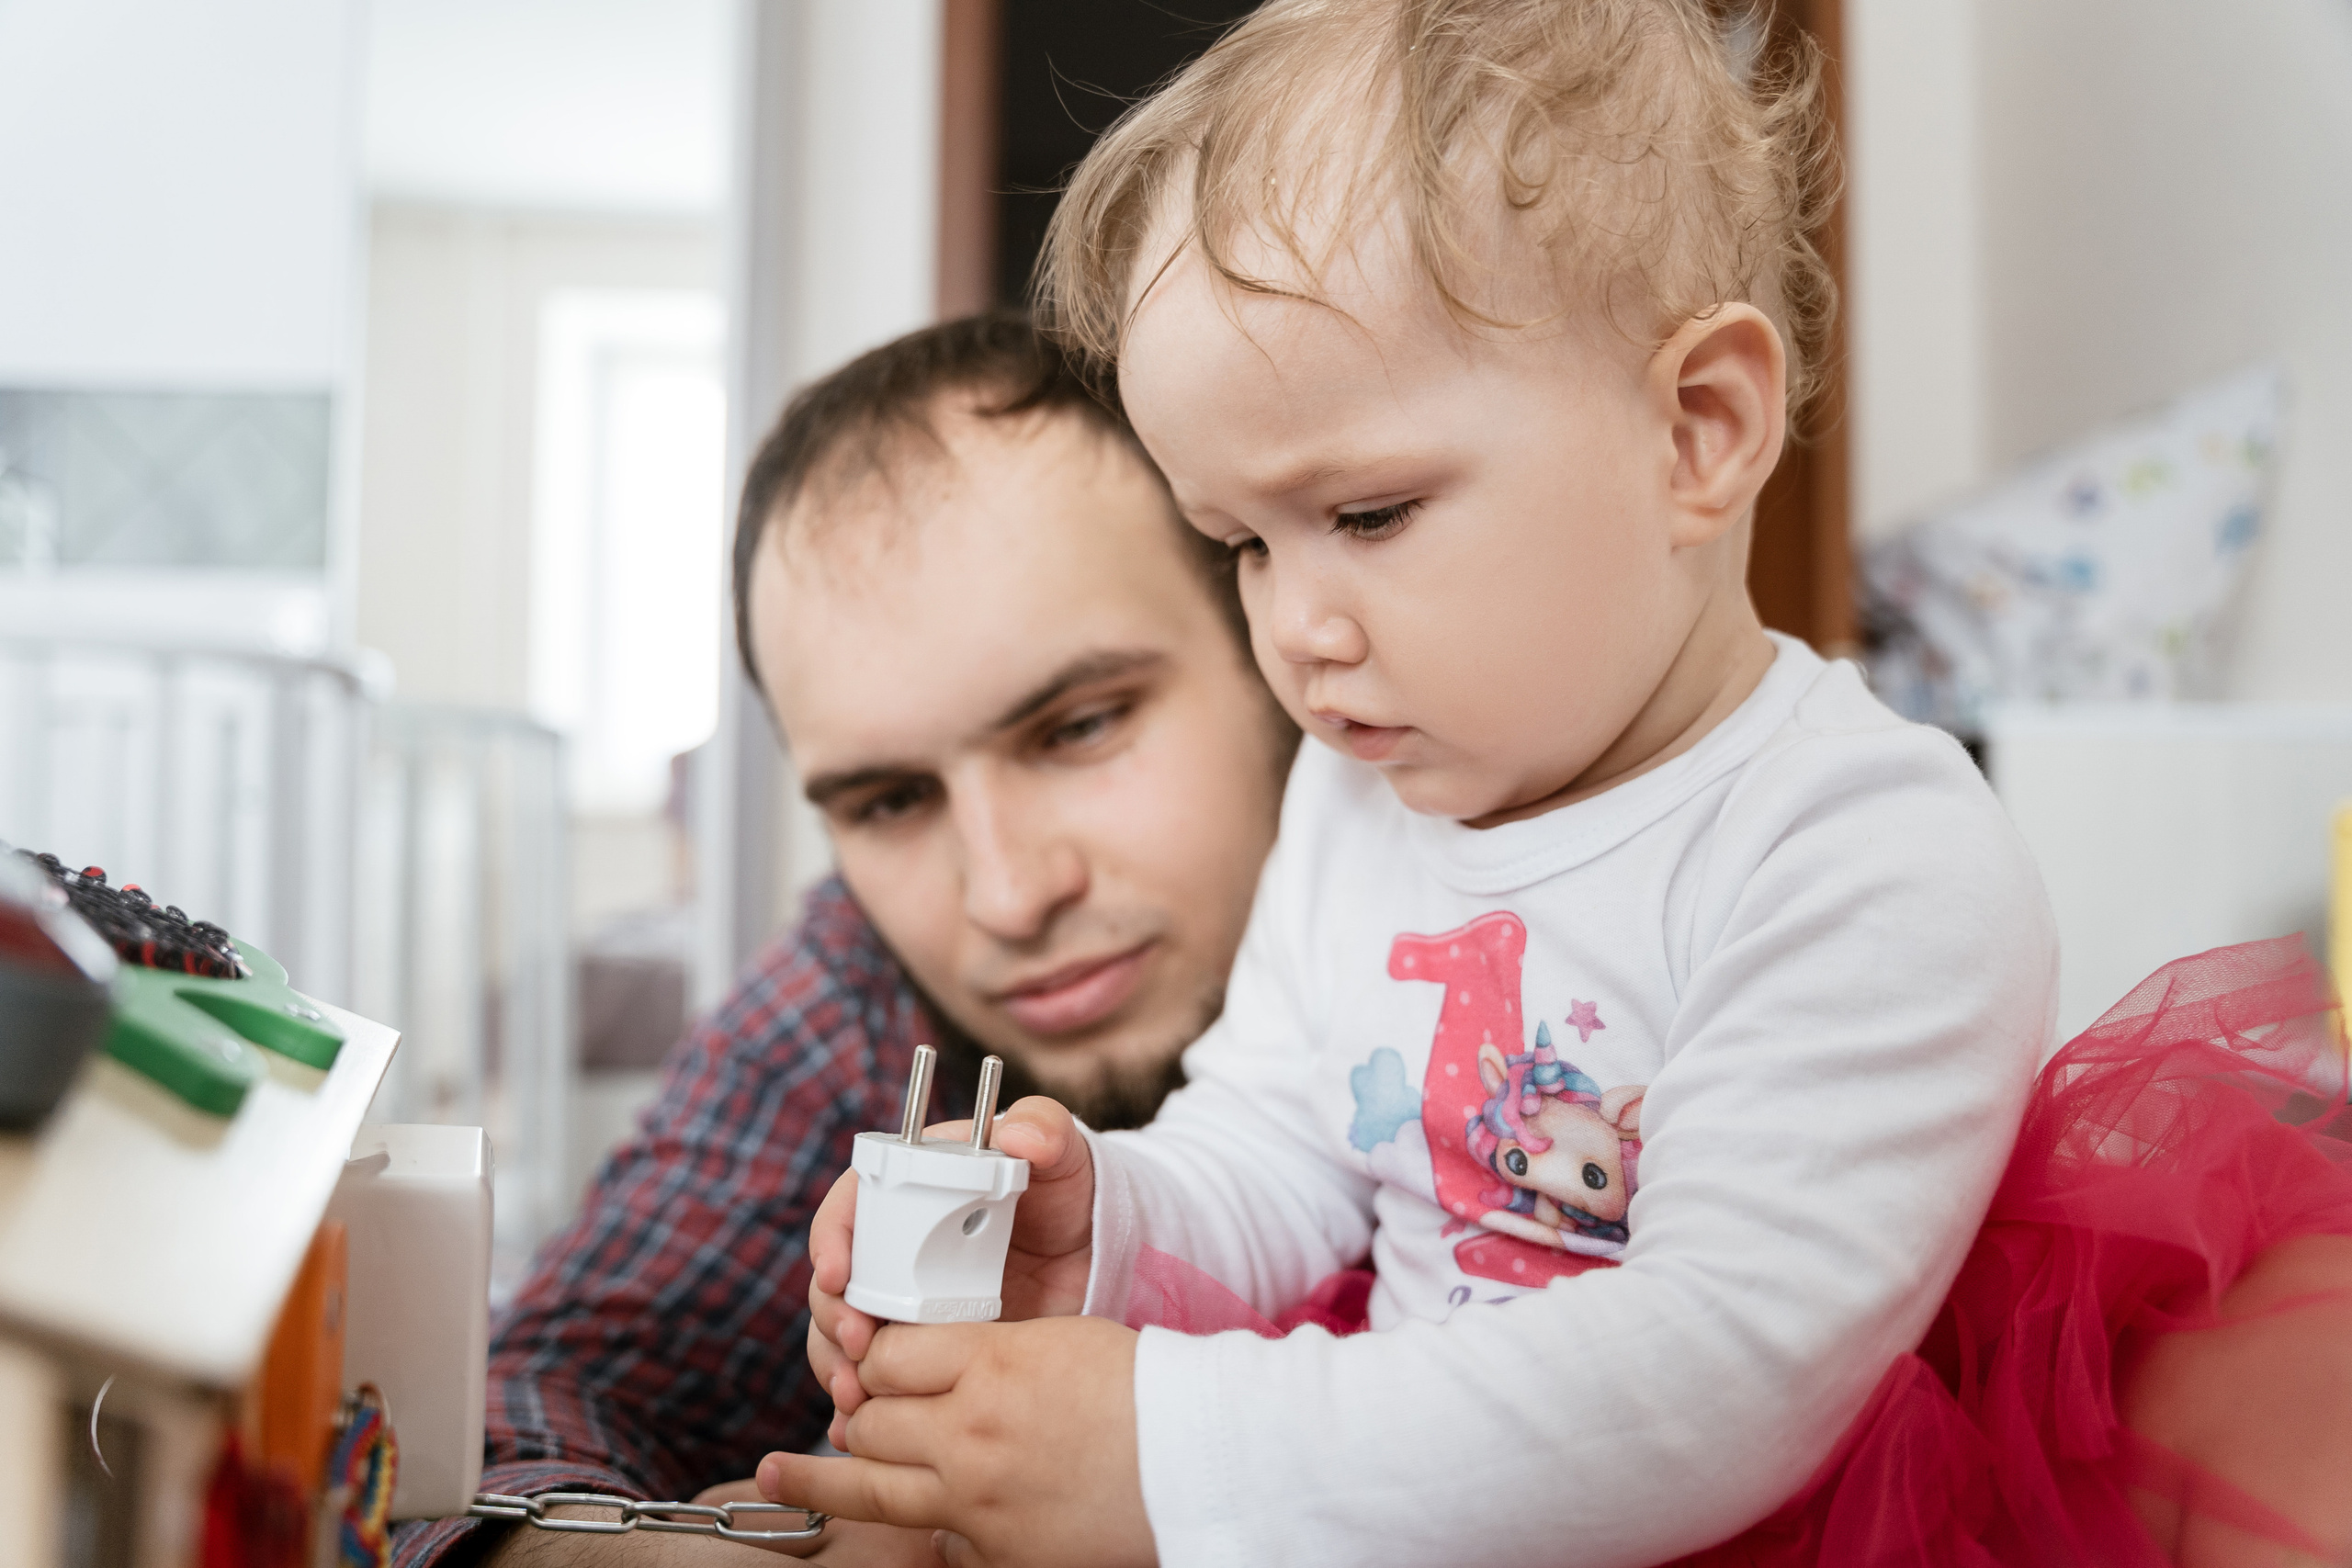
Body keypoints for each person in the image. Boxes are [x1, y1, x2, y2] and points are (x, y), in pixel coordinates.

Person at [782, 5, 2352, 1566]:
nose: (1294, 630)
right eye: (1244, 544)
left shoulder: (1860, 847)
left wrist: (1172, 1451)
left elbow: (1714, 1368)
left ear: (1696, 431)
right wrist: (1106, 1226)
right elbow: (1273, 1156)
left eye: (1372, 512)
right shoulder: (1351, 804)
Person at [392, 314, 1297, 1566]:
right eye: (889, 802)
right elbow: (529, 1403)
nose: (1005, 896)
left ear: (1276, 636)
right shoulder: (865, 983)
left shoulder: (1558, 959)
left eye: (1079, 727)